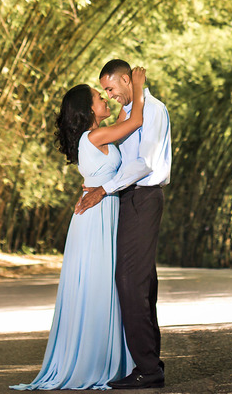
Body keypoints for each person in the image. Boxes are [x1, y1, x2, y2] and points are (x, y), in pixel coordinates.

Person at [13, 68, 147, 391]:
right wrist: (139, 89)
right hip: (97, 217)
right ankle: (96, 362)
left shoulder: (94, 136)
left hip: (98, 213)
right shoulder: (93, 136)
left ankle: (104, 358)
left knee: (101, 287)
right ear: (89, 110)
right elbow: (136, 123)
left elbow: (105, 161)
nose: (104, 98)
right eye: (98, 96)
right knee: (99, 287)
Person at [74, 59, 172, 390]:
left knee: (130, 280)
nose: (110, 95)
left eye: (111, 88)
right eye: (104, 92)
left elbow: (145, 162)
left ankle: (147, 368)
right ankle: (149, 361)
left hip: (143, 197)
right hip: (127, 199)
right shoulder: (129, 114)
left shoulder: (152, 110)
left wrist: (104, 188)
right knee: (141, 281)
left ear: (127, 81)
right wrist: (99, 186)